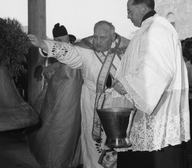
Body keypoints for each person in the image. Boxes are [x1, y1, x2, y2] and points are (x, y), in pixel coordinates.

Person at [28, 20, 129, 168]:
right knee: (93, 143)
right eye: (95, 37)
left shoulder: (126, 49)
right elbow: (68, 51)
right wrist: (43, 44)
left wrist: (127, 84)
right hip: (92, 102)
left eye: (103, 38)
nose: (98, 41)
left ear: (113, 36)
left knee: (119, 144)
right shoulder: (86, 50)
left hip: (119, 103)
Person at [112, 0, 190, 168]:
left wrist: (127, 84)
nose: (128, 16)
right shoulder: (149, 28)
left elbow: (159, 68)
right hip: (150, 107)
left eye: (129, 11)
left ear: (142, 7)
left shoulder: (156, 28)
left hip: (157, 109)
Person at [26, 23, 83, 168]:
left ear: (68, 39)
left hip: (73, 96)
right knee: (54, 127)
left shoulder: (77, 50)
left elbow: (68, 61)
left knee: (68, 130)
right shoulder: (55, 54)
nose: (59, 43)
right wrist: (45, 69)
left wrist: (50, 68)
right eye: (56, 40)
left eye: (62, 40)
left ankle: (68, 162)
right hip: (58, 93)